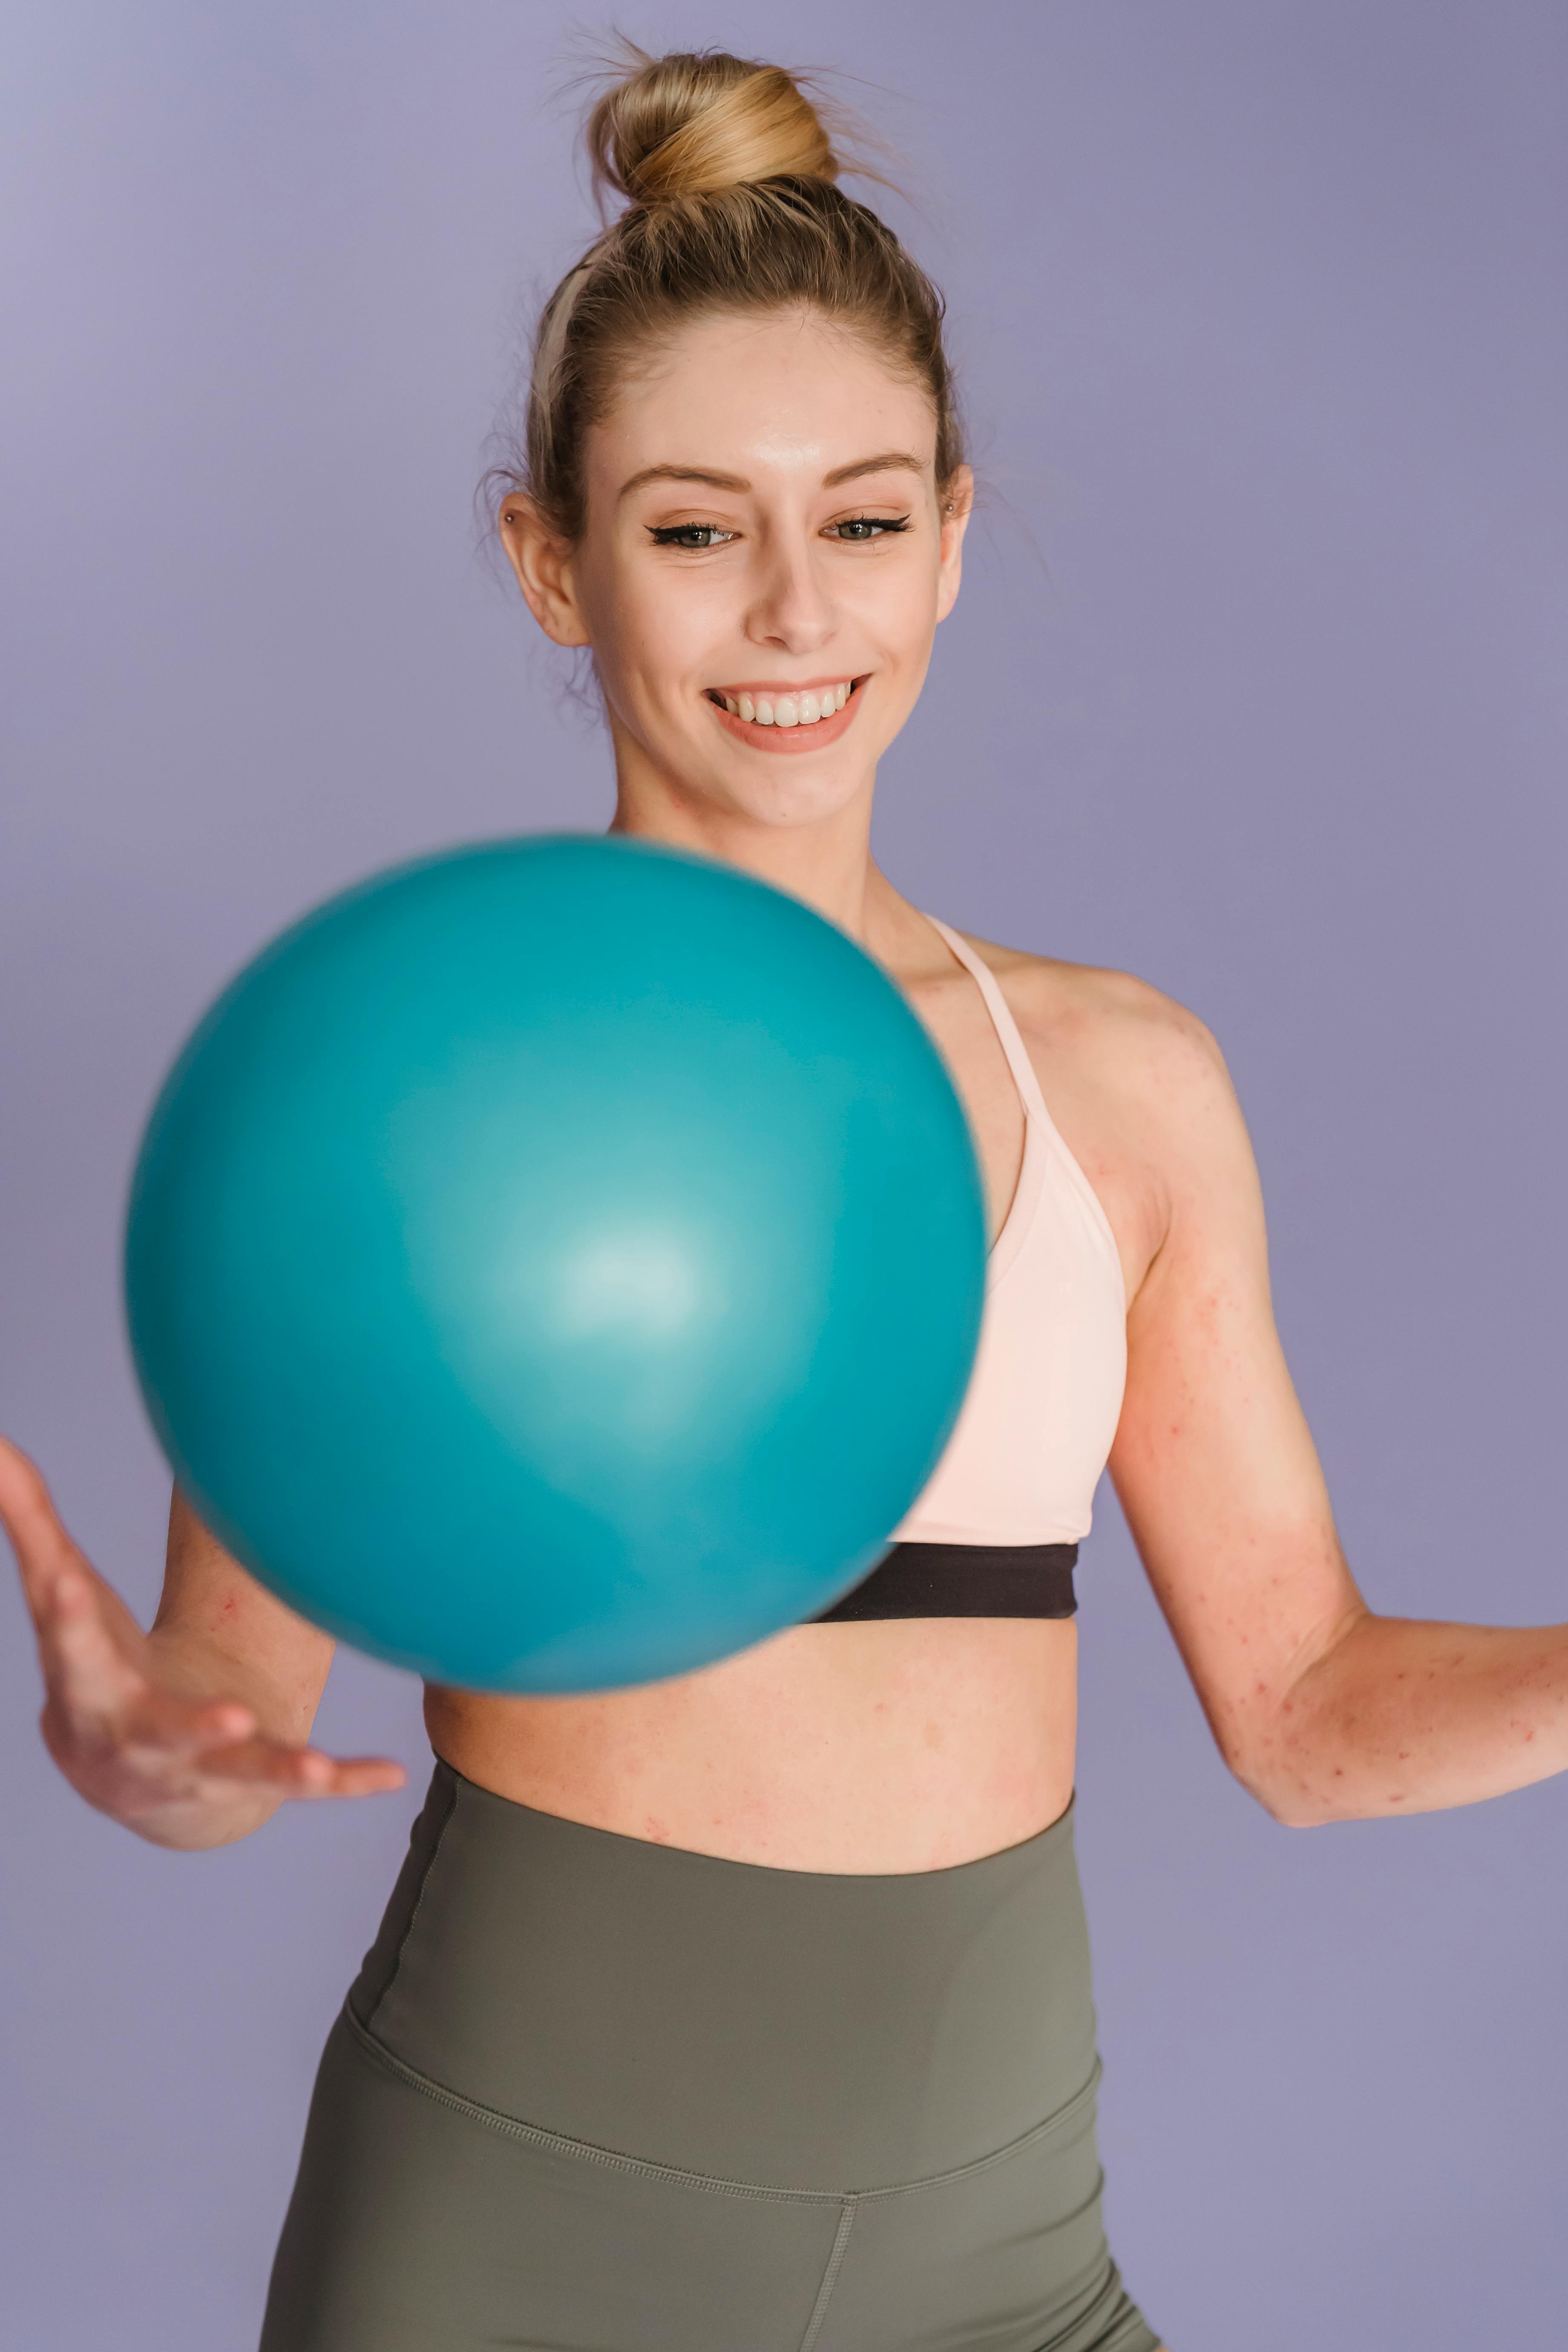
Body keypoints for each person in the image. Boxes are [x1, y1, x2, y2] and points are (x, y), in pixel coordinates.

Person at [6, 43, 1567, 2352]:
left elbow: (1308, 1706)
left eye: (855, 517)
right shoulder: (405, 1070)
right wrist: (146, 1752)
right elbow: (232, 1713)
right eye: (687, 524)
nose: (788, 610)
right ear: (551, 559)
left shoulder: (1125, 1087)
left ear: (949, 532)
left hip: (998, 2260)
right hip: (516, 2244)